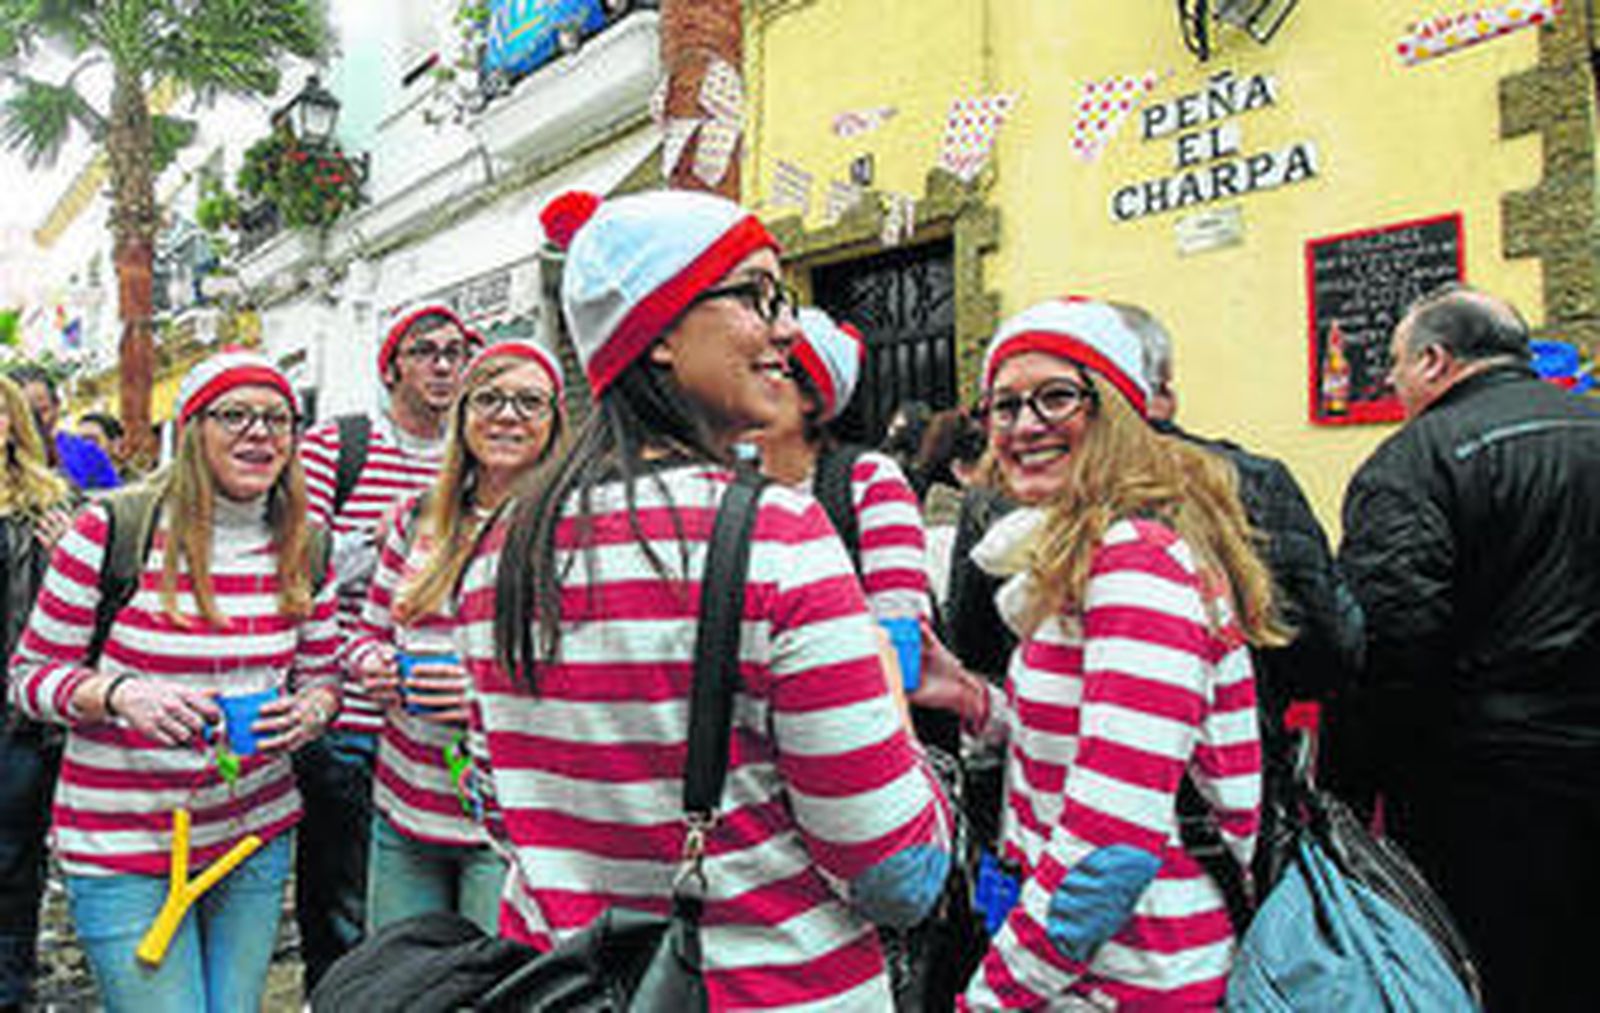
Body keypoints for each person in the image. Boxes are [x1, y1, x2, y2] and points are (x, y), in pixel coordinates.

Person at [453, 188, 953, 1009]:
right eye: (757, 295)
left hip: (570, 987)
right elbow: (894, 872)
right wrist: (904, 729)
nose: (787, 329)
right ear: (659, 333)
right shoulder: (778, 538)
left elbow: (501, 812)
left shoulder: (500, 553)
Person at [913, 297, 1278, 1008]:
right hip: (1095, 970)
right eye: (1004, 405)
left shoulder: (1134, 566)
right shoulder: (1087, 556)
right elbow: (1099, 743)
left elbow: (1107, 852)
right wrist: (973, 697)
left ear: (1113, 411)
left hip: (1134, 977)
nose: (1024, 425)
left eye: (1056, 397)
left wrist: (991, 996)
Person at [7, 350, 341, 1012]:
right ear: (192, 429)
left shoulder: (307, 542)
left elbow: (323, 677)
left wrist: (312, 709)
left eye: (278, 417)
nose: (260, 432)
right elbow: (28, 677)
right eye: (234, 414)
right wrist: (121, 693)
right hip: (124, 841)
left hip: (252, 834)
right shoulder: (112, 530)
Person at [1337, 285, 1600, 1012]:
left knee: (1494, 967)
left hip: (1484, 783)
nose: (1389, 381)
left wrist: (1354, 780)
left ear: (1434, 359)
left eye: (1394, 363)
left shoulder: (1413, 462)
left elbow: (1392, 639)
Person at [346, 340, 565, 934]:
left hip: (508, 824)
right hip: (403, 809)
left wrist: (480, 696)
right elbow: (365, 633)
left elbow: (588, 679)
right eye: (489, 399)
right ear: (464, 415)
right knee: (398, 988)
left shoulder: (570, 530)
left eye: (529, 402)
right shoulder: (419, 519)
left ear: (555, 422)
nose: (507, 415)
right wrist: (375, 666)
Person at [294, 302, 472, 987]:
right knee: (344, 897)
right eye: (426, 351)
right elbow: (296, 562)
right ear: (393, 364)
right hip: (350, 717)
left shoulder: (478, 448)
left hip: (447, 728)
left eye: (455, 352)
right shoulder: (340, 446)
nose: (443, 365)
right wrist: (391, 544)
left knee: (440, 912)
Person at [0, 376, 73, 1013]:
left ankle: (10, 982)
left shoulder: (46, 503)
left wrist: (65, 557)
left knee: (13, 852)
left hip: (16, 711)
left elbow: (79, 609)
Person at [5, 365, 119, 491]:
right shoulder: (6, 458)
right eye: (25, 414)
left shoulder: (87, 453)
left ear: (57, 406)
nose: (35, 421)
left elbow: (113, 500)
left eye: (42, 410)